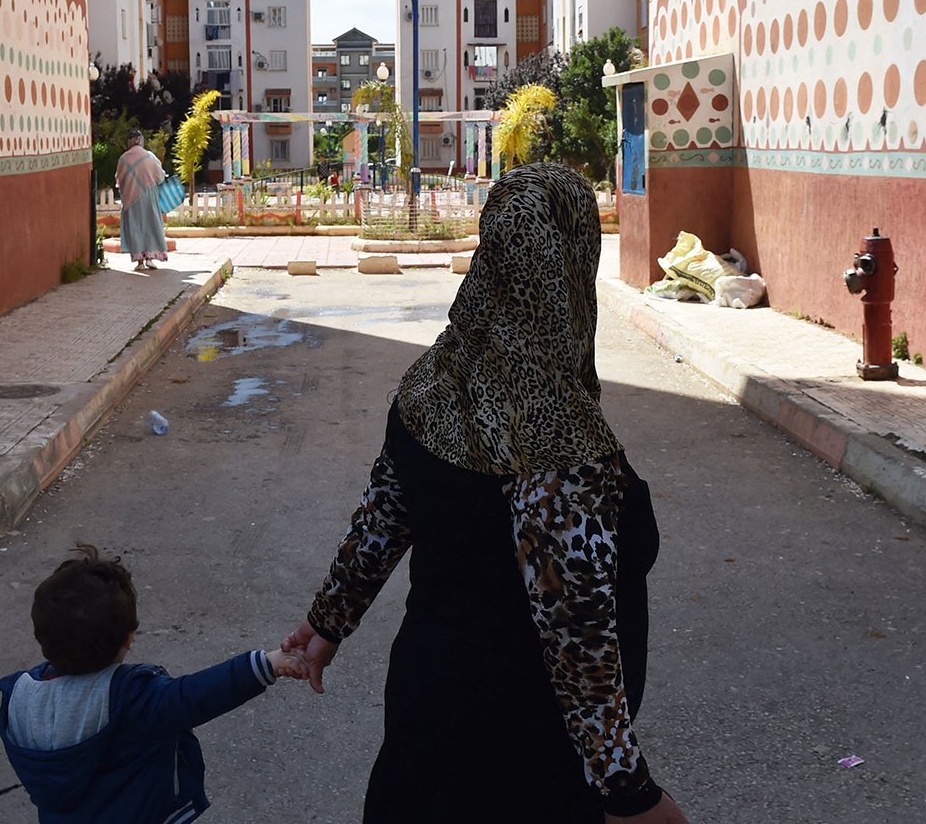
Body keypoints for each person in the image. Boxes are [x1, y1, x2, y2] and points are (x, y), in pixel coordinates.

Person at [284, 162, 688, 823]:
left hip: (426, 711)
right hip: (522, 755)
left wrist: (327, 621)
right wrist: (629, 794)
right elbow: (576, 631)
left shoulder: (433, 380)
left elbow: (383, 515)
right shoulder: (557, 436)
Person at [0, 544, 306, 823]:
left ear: (42, 637)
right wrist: (268, 663)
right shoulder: (129, 698)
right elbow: (196, 695)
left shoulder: (19, 698)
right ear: (129, 639)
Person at [116, 132, 171, 270]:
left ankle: (139, 261)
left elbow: (119, 179)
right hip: (149, 195)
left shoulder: (123, 158)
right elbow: (160, 176)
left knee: (135, 226)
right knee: (150, 224)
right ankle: (150, 258)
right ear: (141, 141)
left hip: (130, 197)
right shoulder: (149, 156)